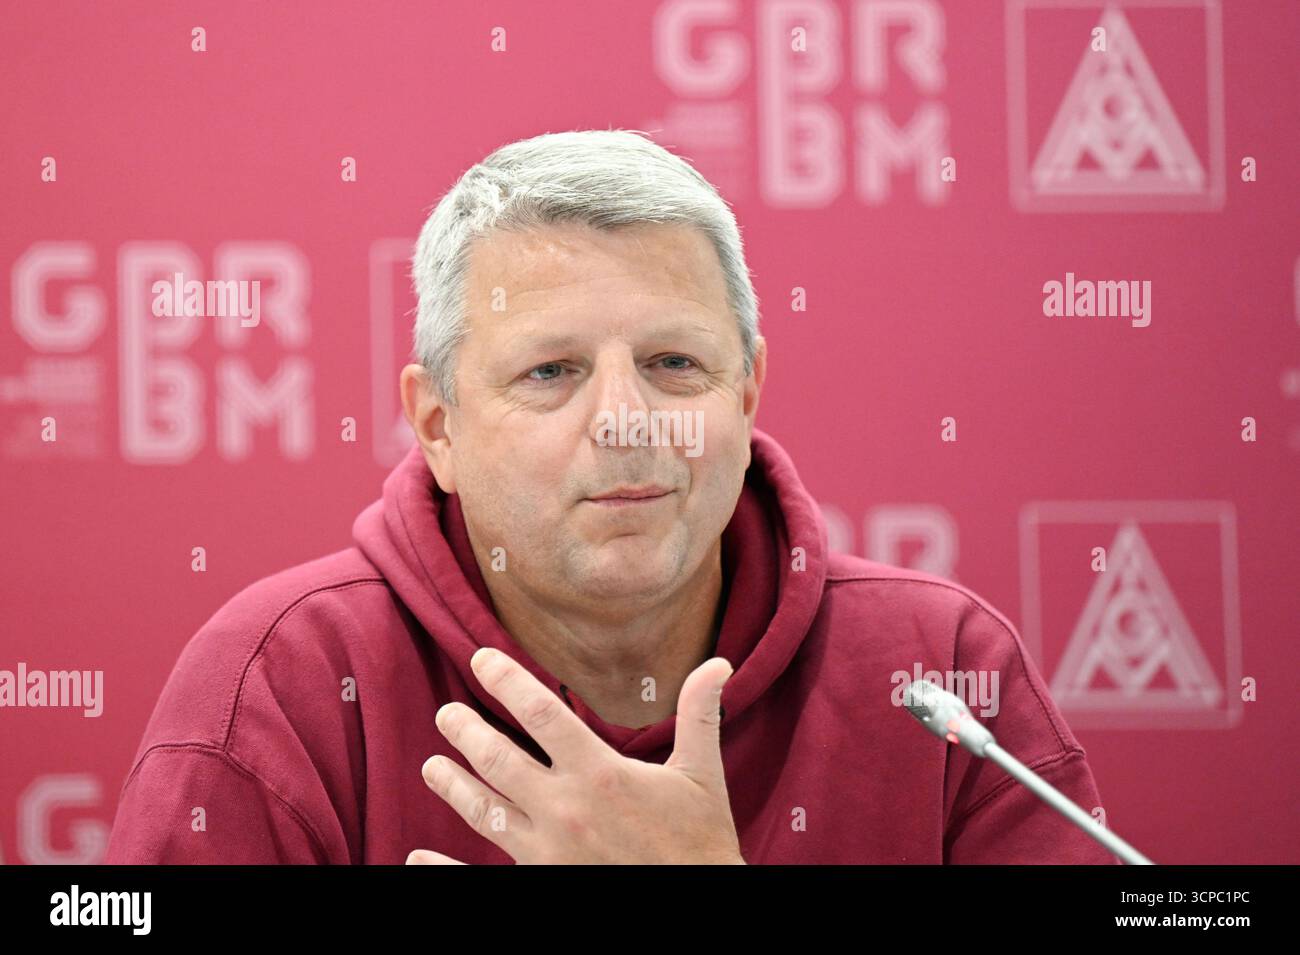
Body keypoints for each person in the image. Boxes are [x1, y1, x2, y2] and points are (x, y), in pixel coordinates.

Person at [105, 129, 1115, 864]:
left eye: (675, 362)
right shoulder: (279, 684)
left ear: (749, 392)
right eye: (550, 373)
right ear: (439, 426)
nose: (627, 419)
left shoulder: (936, 677)